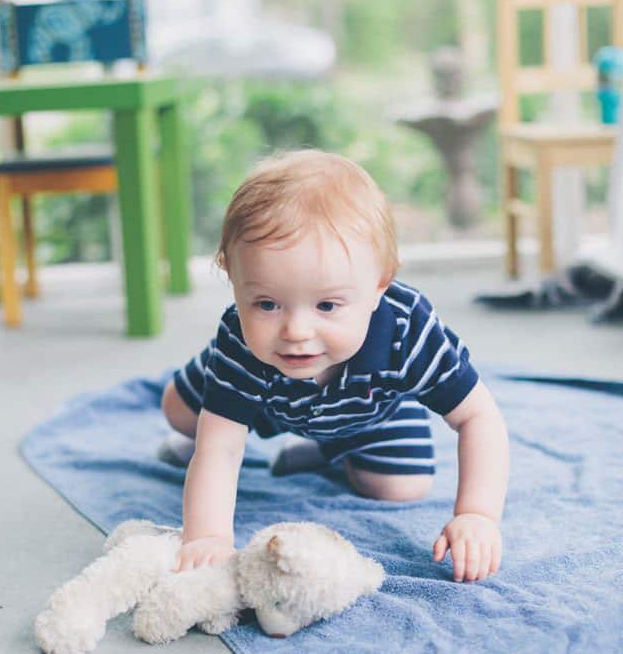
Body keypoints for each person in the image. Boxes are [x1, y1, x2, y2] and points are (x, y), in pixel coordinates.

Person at [161, 150, 509, 583]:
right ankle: (242, 412)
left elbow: (478, 416)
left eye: (327, 305)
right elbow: (220, 447)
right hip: (264, 397)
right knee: (178, 411)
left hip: (367, 409)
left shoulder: (407, 329)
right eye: (267, 303)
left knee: (402, 488)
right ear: (231, 277)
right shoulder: (241, 339)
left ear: (381, 283)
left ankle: (324, 449)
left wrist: (477, 514)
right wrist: (207, 536)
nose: (296, 330)